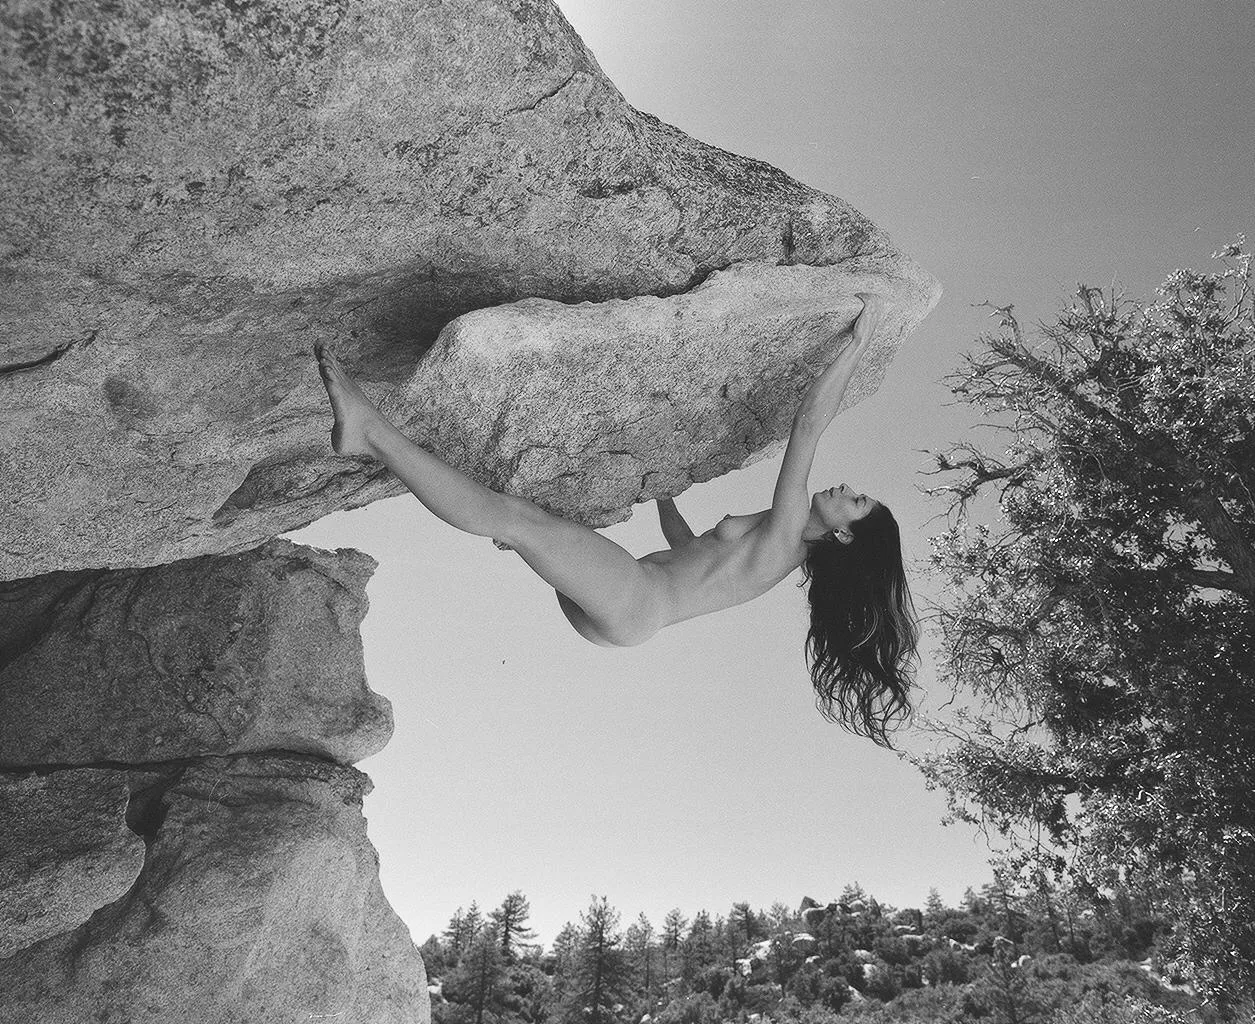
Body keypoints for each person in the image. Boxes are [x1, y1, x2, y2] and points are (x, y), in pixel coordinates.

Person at [315, 293, 918, 743]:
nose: (846, 489)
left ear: (843, 533)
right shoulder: (774, 543)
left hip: (634, 600)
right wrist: (662, 494)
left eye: (857, 501)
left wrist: (857, 344)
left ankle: (370, 434)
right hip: (627, 612)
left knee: (515, 520)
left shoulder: (790, 537)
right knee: (528, 521)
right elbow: (691, 548)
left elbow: (808, 426)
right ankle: (377, 439)